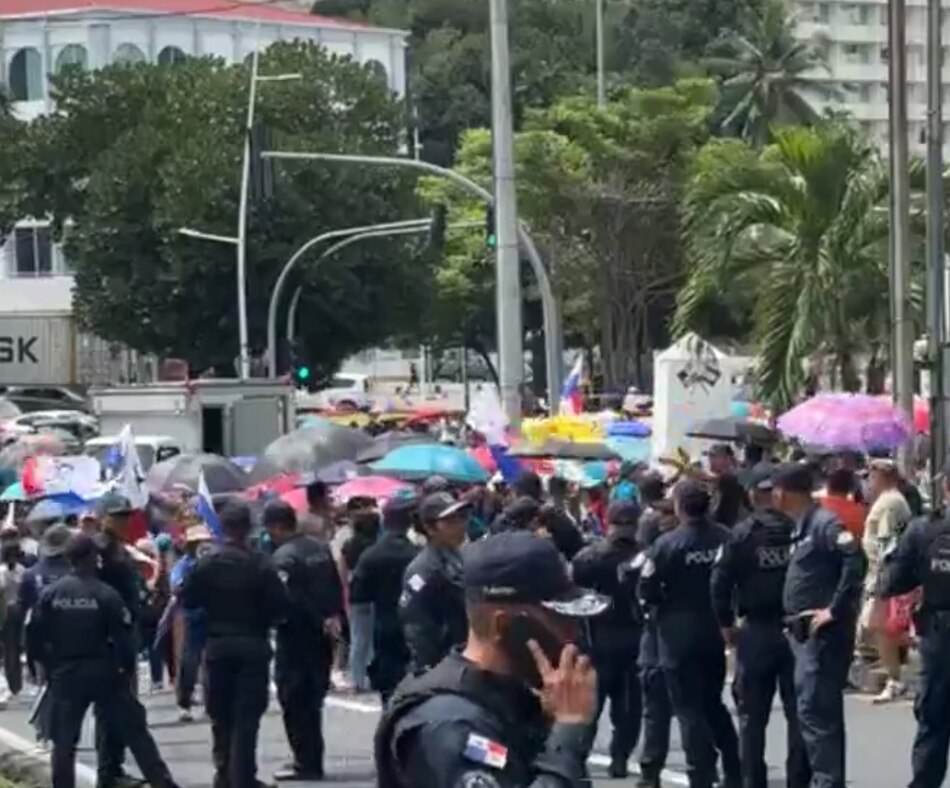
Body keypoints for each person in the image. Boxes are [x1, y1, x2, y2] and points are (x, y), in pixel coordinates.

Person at [375, 530, 607, 788]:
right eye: (561, 620)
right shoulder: (450, 725)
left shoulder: (511, 699)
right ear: (505, 625)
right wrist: (568, 735)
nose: (573, 634)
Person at [27, 533, 180, 788]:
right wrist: (125, 671)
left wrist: (46, 667)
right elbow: (124, 639)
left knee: (64, 743)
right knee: (137, 734)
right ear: (93, 558)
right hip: (104, 672)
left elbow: (34, 635)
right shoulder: (106, 594)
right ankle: (162, 783)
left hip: (66, 673)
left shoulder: (52, 594)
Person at [710, 463, 809, 788]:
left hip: (757, 631)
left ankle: (753, 780)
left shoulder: (742, 534)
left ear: (752, 494)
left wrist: (725, 624)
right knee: (799, 714)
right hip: (798, 630)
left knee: (751, 717)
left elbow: (719, 583)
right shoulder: (800, 529)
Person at [638, 479, 740, 788]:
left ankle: (701, 774)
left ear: (680, 506)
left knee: (687, 708)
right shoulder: (725, 538)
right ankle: (735, 768)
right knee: (713, 703)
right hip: (714, 629)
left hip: (677, 633)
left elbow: (646, 587)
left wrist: (659, 605)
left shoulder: (667, 544)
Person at [181, 502, 287, 788]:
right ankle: (242, 777)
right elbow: (280, 606)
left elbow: (188, 599)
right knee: (246, 718)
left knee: (221, 715)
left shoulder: (206, 563)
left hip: (218, 644)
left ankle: (225, 775)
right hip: (253, 644)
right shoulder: (260, 564)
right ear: (248, 528)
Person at [776, 463, 867, 788]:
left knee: (817, 713)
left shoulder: (825, 524)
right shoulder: (802, 526)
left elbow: (855, 560)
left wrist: (835, 609)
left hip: (822, 635)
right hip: (801, 634)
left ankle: (827, 782)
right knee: (811, 714)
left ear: (783, 493)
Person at [877, 455, 950, 788]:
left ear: (945, 486)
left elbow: (893, 581)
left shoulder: (923, 530)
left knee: (933, 720)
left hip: (939, 636)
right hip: (937, 631)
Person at [264, 500, 343, 782]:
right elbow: (336, 586)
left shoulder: (283, 557)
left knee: (294, 700)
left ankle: (305, 762)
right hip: (322, 638)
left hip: (296, 638)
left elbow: (290, 599)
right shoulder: (319, 549)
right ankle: (311, 758)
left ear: (276, 527)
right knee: (313, 700)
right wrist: (332, 618)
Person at [570, 498, 643, 778]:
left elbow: (571, 598)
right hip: (622, 640)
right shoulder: (644, 556)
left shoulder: (588, 558)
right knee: (623, 707)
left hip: (600, 639)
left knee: (595, 707)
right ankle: (617, 757)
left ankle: (584, 759)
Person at [94, 492, 148, 788]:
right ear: (104, 518)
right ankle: (109, 771)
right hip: (111, 638)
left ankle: (115, 767)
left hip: (126, 634)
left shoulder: (119, 548)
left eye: (126, 516)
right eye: (118, 516)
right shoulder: (100, 551)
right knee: (111, 708)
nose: (124, 521)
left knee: (122, 705)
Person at [350, 491, 420, 707]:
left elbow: (358, 595)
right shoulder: (417, 554)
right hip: (413, 627)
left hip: (384, 627)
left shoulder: (371, 555)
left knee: (389, 693)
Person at [399, 491, 470, 674]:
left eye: (461, 518)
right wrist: (427, 670)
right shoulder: (423, 570)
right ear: (430, 528)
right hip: (442, 665)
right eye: (449, 521)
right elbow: (417, 628)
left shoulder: (459, 556)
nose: (460, 525)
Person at [861, 459, 912, 703]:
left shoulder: (891, 502)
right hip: (880, 572)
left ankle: (895, 676)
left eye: (872, 476)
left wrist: (883, 579)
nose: (869, 482)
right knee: (879, 625)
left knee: (878, 624)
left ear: (883, 477)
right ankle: (894, 674)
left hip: (885, 574)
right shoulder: (887, 500)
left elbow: (887, 543)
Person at [171, 524, 212, 721]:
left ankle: (211, 704)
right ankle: (184, 703)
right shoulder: (184, 565)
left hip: (212, 615)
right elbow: (176, 587)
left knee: (212, 662)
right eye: (197, 542)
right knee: (189, 661)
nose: (202, 545)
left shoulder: (214, 562)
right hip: (192, 616)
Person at [339, 504, 379, 692]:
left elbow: (342, 572)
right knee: (374, 639)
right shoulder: (376, 546)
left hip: (356, 595)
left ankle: (356, 679)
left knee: (357, 638)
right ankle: (372, 675)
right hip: (377, 595)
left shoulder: (349, 545)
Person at [0, 520, 35, 702]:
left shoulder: (5, 571)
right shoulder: (22, 571)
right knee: (14, 649)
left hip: (9, 611)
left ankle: (13, 684)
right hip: (17, 610)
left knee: (11, 650)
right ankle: (15, 684)